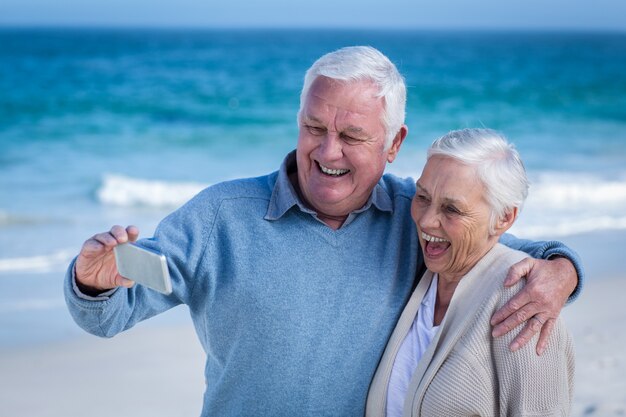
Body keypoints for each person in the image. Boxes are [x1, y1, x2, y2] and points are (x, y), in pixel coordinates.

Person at [64, 46, 583, 416]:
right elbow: (112, 312)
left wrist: (562, 269)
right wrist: (93, 282)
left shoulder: (416, 215)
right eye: (315, 128)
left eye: (352, 136)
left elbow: (498, 246)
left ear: (394, 143)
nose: (327, 151)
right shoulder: (219, 217)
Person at [366, 128, 574, 417]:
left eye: (451, 209)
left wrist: (565, 268)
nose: (426, 221)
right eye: (423, 197)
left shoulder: (523, 300)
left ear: (503, 217)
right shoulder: (423, 280)